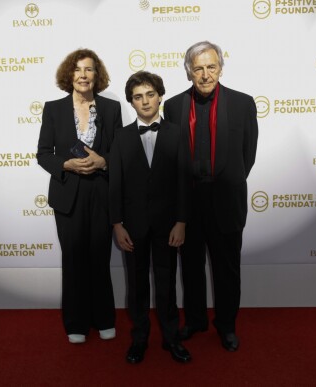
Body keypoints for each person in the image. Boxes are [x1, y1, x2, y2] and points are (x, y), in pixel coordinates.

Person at [163, 41, 258, 352]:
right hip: (188, 203)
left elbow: (248, 155)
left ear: (221, 68)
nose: (205, 74)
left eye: (211, 67)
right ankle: (195, 320)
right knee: (190, 267)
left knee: (226, 270)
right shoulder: (174, 106)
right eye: (199, 68)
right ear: (189, 71)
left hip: (226, 200)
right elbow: (173, 158)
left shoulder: (243, 104)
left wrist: (227, 181)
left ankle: (227, 326)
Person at [36, 48, 122, 344]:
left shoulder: (111, 109)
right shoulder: (53, 109)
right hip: (67, 194)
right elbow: (43, 153)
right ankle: (76, 323)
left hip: (100, 191)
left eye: (89, 70)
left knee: (100, 257)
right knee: (73, 259)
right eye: (78, 70)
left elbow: (119, 152)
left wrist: (104, 162)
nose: (83, 75)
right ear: (68, 75)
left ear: (97, 76)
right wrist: (65, 164)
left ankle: (104, 319)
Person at [110, 71, 191, 363]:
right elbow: (115, 183)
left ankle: (171, 339)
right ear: (131, 102)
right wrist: (117, 224)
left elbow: (184, 181)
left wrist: (181, 221)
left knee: (167, 285)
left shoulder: (177, 133)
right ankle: (139, 339)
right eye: (137, 97)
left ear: (160, 96)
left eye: (150, 94)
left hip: (169, 226)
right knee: (137, 287)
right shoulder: (120, 137)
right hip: (132, 227)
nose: (145, 101)